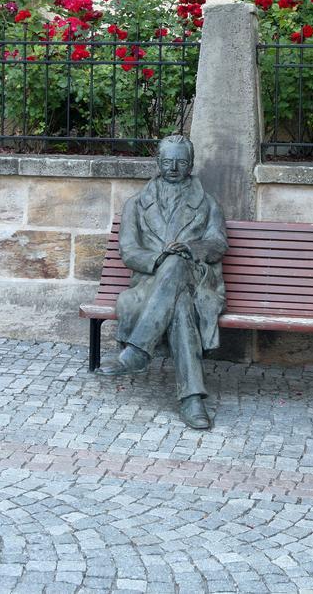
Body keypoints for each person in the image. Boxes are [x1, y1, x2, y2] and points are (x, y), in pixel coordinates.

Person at [96, 135, 227, 429]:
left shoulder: (207, 203)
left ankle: (139, 351)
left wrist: (191, 249)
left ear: (191, 165)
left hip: (196, 280)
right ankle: (192, 399)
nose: (173, 168)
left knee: (178, 263)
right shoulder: (136, 205)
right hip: (150, 283)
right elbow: (129, 251)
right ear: (157, 163)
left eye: (181, 162)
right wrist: (159, 258)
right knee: (179, 303)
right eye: (167, 161)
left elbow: (218, 243)